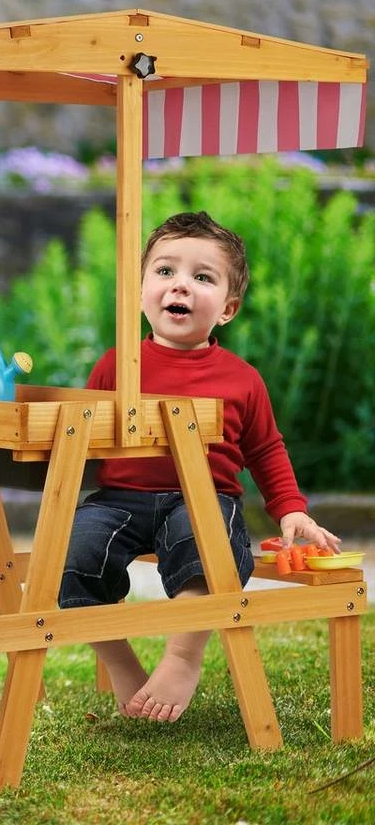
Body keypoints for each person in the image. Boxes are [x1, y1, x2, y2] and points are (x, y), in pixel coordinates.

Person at [58, 211, 340, 723]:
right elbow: (86, 440)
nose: (179, 285)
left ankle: (183, 656)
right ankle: (122, 664)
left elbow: (266, 449)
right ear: (142, 288)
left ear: (228, 309)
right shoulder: (115, 366)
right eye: (164, 271)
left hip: (202, 497)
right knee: (67, 557)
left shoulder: (242, 379)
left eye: (201, 277)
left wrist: (292, 510)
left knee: (207, 547)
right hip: (118, 500)